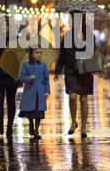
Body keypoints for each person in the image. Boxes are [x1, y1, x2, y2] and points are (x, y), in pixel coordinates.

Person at [54, 10, 95, 139]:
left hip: (84, 71)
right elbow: (62, 54)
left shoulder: (89, 35)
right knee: (72, 97)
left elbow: (93, 51)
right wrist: (58, 70)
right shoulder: (67, 36)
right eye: (72, 19)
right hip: (71, 70)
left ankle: (83, 127)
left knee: (83, 99)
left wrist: (84, 40)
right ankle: (73, 122)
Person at [0, 17, 19, 138]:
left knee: (11, 100)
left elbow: (19, 55)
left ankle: (9, 127)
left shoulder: (16, 39)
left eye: (6, 25)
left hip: (11, 73)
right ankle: (0, 126)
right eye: (2, 25)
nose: (4, 27)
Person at [19, 48, 51, 141]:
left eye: (40, 53)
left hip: (40, 93)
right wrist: (29, 78)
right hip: (30, 92)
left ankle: (36, 130)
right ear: (31, 54)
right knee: (30, 112)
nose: (39, 55)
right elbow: (22, 78)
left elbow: (46, 79)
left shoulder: (43, 66)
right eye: (37, 53)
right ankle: (31, 124)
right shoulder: (26, 65)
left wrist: (47, 91)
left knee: (39, 113)